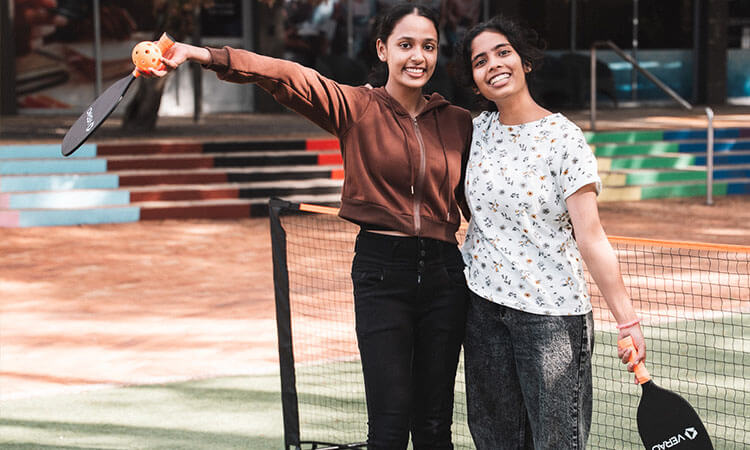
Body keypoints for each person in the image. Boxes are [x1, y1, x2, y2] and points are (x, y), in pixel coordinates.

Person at [144, 4, 473, 449]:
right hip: (381, 274)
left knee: (435, 427)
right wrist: (198, 53)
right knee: (390, 428)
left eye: (429, 46)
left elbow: (483, 201)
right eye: (406, 45)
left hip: (445, 276)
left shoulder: (458, 122)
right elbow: (282, 74)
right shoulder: (356, 106)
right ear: (383, 49)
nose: (418, 56)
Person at [455, 16, 647, 449]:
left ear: (525, 62)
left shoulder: (565, 139)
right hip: (483, 310)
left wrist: (626, 319)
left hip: (551, 319)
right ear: (474, 79)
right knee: (495, 440)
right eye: (479, 60)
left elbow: (591, 237)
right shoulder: (475, 131)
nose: (494, 65)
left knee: (557, 443)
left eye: (503, 52)